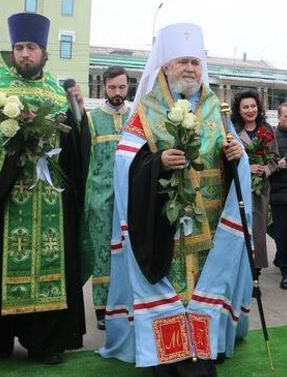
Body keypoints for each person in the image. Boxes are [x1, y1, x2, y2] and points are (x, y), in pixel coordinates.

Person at [98, 23, 252, 376]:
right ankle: (171, 355)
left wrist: (235, 155)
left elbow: (236, 157)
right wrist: (157, 162)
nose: (190, 69)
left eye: (195, 62)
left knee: (205, 284)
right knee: (175, 283)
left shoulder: (217, 108)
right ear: (165, 66)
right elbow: (125, 162)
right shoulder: (146, 110)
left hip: (211, 223)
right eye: (182, 61)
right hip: (164, 223)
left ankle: (205, 348)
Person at [0, 12, 89, 364]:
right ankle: (1, 338)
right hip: (4, 198)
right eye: (20, 47)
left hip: (49, 197)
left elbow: (74, 146)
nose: (25, 54)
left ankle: (46, 341)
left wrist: (78, 116)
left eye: (32, 47)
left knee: (52, 265)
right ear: (13, 50)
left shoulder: (56, 91)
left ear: (44, 53)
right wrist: (11, 138)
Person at [80, 65, 130, 331]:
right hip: (101, 196)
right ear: (104, 87)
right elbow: (86, 160)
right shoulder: (92, 118)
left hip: (130, 195)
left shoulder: (136, 116)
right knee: (102, 252)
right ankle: (102, 307)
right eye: (112, 87)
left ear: (128, 86)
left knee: (128, 250)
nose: (117, 92)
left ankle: (126, 302)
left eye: (122, 87)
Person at [231, 90, 276, 270]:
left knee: (257, 230)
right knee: (238, 227)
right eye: (246, 107)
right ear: (239, 110)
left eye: (253, 106)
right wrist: (246, 168)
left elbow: (274, 159)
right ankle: (238, 267)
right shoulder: (232, 130)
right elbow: (224, 158)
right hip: (238, 186)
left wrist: (264, 170)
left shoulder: (267, 129)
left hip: (260, 188)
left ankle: (255, 270)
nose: (250, 110)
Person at [270, 103, 287, 289]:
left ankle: (280, 258)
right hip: (280, 193)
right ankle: (286, 272)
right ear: (279, 118)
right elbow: (264, 161)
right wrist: (276, 165)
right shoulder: (272, 137)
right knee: (282, 233)